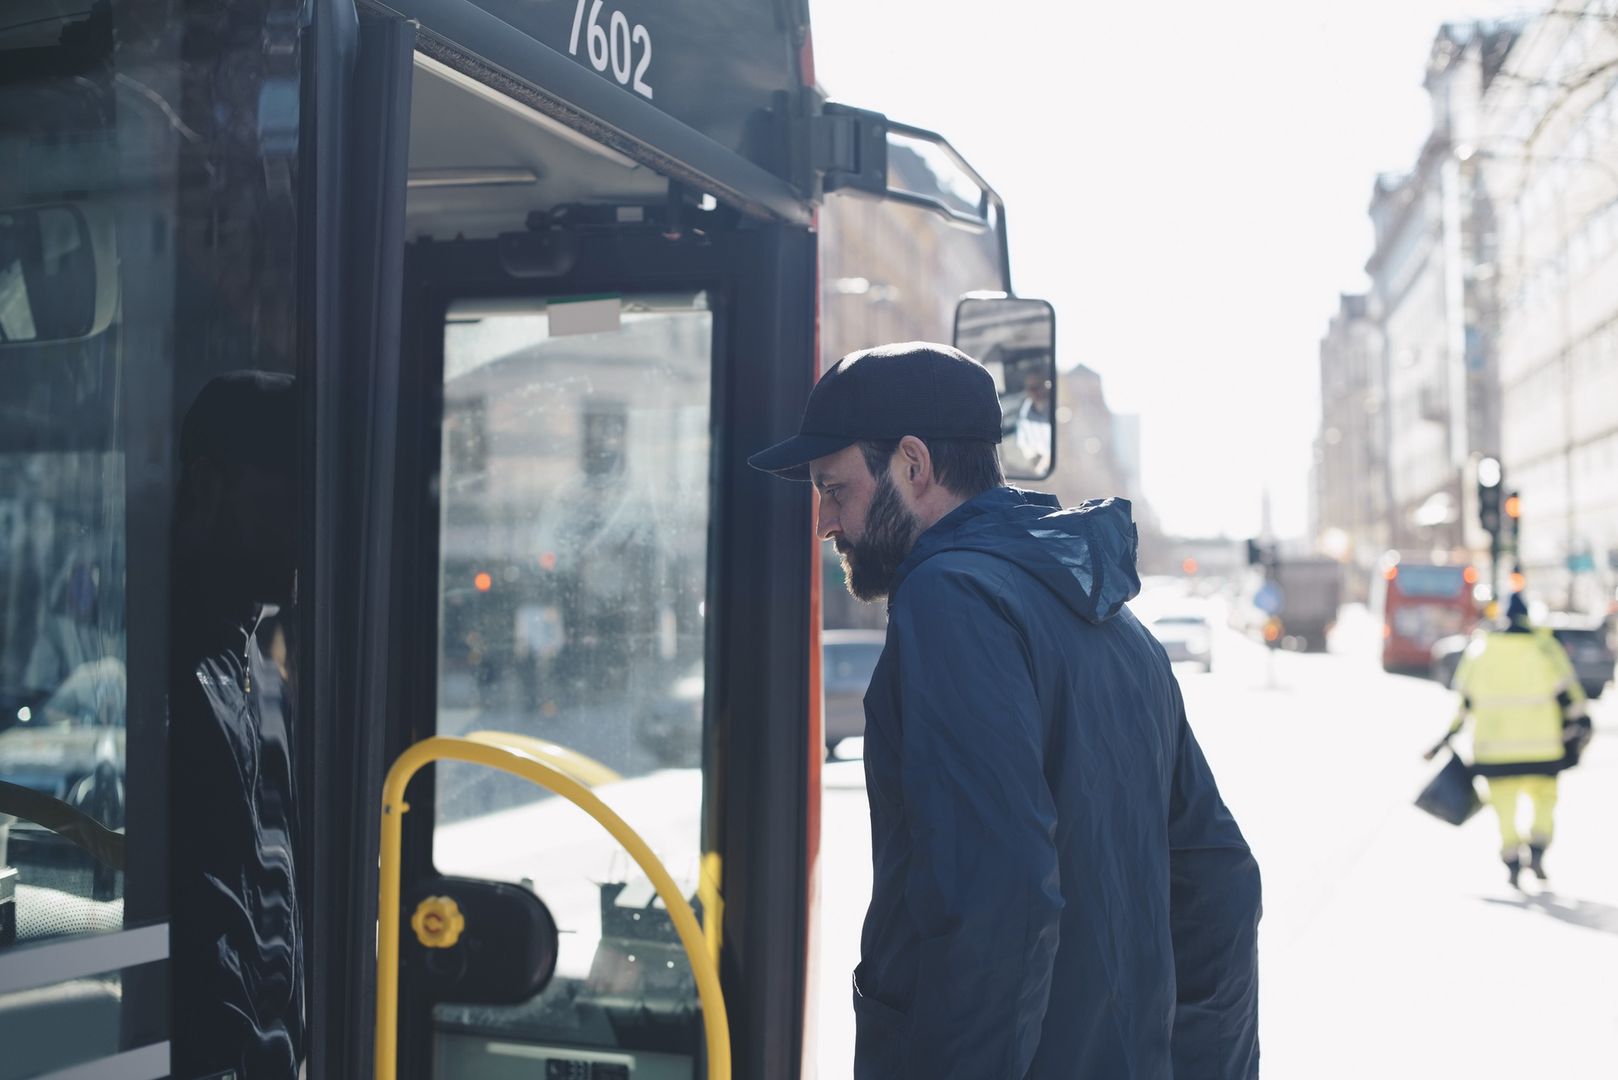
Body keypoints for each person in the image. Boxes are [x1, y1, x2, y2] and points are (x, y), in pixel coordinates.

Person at [749, 342, 1261, 1079]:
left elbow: (999, 899)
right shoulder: (1115, 627)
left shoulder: (951, 598)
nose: (825, 522)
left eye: (834, 489)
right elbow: (1219, 880)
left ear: (913, 466)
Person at [169, 370, 304, 1078]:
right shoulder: (172, 673)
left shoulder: (258, 663)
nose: (304, 528)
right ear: (209, 486)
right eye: (287, 496)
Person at [1426, 592, 1590, 888]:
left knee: (1504, 808)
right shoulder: (1544, 647)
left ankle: (1512, 859)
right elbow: (1572, 697)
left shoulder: (1480, 650)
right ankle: (1538, 849)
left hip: (1494, 753)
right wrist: (1581, 724)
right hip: (1543, 749)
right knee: (1544, 801)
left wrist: (1446, 737)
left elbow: (1465, 705)